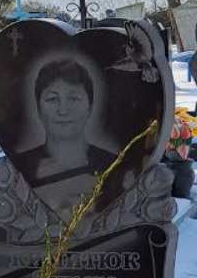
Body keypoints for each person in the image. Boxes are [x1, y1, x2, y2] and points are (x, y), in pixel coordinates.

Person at [10, 59, 119, 217]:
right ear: (38, 108)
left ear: (90, 106)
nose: (63, 111)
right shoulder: (19, 170)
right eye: (52, 99)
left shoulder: (115, 166)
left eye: (73, 99)